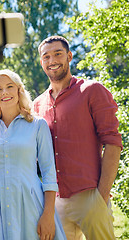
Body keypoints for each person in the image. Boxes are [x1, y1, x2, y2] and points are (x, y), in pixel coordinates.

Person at [34, 35, 123, 239]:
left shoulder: (91, 91)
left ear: (69, 56)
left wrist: (101, 195)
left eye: (58, 54)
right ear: (41, 62)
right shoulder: (37, 105)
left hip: (91, 195)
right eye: (46, 56)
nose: (52, 60)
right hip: (56, 201)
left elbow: (112, 142)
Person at [0, 69, 66, 240]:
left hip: (31, 205)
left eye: (9, 86)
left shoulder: (37, 124)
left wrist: (48, 214)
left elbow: (48, 171)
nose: (4, 92)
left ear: (19, 90)